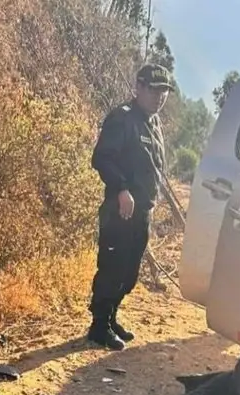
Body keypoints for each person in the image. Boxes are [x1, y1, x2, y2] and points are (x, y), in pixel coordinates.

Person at [86, 64, 174, 350]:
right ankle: (99, 326)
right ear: (138, 87)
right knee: (112, 268)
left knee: (129, 272)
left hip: (142, 213)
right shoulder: (122, 118)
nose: (159, 96)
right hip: (119, 210)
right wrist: (122, 188)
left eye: (164, 91)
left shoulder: (153, 122)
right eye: (153, 89)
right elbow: (102, 158)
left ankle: (111, 318)